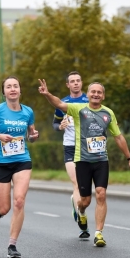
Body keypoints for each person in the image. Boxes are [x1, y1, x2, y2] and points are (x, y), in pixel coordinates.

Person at [38, 79, 130, 247]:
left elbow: (118, 136)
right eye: (93, 92)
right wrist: (47, 94)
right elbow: (59, 104)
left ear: (103, 96)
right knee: (85, 201)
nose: (96, 94)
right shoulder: (78, 109)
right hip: (83, 161)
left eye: (99, 92)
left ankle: (99, 233)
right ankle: (80, 211)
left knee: (101, 194)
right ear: (87, 95)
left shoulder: (108, 113)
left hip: (101, 160)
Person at [0, 76, 39, 258]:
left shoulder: (28, 111)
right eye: (8, 87)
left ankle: (12, 245)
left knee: (19, 201)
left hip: (22, 160)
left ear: (20, 90)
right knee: (5, 207)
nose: (12, 89)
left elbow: (31, 135)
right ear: (3, 92)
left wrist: (34, 136)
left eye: (15, 86)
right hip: (0, 162)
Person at [52, 71, 89, 237]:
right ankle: (82, 218)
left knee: (86, 188)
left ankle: (76, 205)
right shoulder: (63, 103)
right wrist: (60, 126)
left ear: (81, 83)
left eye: (78, 80)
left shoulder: (90, 101)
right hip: (70, 147)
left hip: (87, 147)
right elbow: (55, 123)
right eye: (72, 81)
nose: (75, 83)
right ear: (68, 85)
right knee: (76, 183)